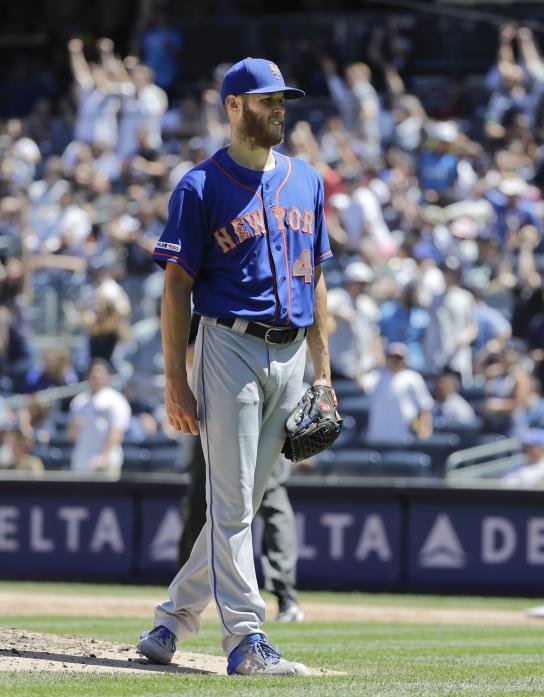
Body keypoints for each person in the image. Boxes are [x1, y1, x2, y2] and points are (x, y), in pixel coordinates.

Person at [138, 58, 333, 677]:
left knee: (241, 505)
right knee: (230, 503)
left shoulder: (306, 179)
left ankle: (172, 621)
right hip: (229, 346)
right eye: (266, 99)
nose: (279, 108)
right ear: (233, 107)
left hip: (294, 350)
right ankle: (246, 640)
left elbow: (317, 277)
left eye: (283, 99)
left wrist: (324, 371)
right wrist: (176, 378)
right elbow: (176, 290)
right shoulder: (199, 186)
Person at [177, 316, 305, 624]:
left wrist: (324, 375)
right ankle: (185, 587)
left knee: (269, 500)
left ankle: (284, 593)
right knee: (204, 501)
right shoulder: (215, 295)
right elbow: (190, 345)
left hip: (277, 380)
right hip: (220, 394)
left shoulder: (286, 298)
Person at [67, 359, 131, 479]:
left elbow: (117, 432)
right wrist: (75, 425)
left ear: (108, 377)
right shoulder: (79, 401)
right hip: (81, 462)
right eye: (93, 375)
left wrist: (103, 457)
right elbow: (70, 436)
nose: (96, 378)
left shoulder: (116, 400)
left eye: (99, 375)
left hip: (106, 463)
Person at [363, 342, 434, 443]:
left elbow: (425, 406)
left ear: (405, 359)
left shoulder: (414, 378)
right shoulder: (376, 375)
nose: (395, 361)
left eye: (399, 358)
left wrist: (425, 428)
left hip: (404, 436)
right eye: (392, 357)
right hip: (377, 435)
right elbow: (361, 384)